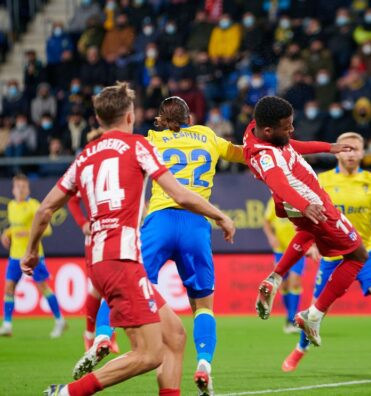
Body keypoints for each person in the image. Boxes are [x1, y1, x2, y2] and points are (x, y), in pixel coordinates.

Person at [21, 82, 235, 396]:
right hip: (124, 261)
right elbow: (178, 193)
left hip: (98, 261)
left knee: (174, 337)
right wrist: (219, 215)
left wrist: (31, 252)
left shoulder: (84, 157)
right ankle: (67, 393)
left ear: (97, 118)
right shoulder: (138, 146)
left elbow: (44, 210)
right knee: (150, 354)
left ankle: (101, 336)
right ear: (130, 115)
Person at [281, 132, 371, 373]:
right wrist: (312, 244)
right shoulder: (322, 180)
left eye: (356, 149)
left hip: (365, 253)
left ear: (363, 153)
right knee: (316, 310)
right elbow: (306, 213)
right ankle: (300, 349)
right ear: (338, 151)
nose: (351, 153)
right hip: (333, 255)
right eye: (346, 149)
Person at [141, 96, 244, 396]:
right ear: (190, 117)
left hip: (159, 220)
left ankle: (102, 336)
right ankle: (204, 364)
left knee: (133, 283)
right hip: (196, 224)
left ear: (160, 118)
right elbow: (240, 154)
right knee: (203, 306)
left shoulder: (150, 141)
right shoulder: (208, 136)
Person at [244, 96, 366, 348]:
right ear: (268, 130)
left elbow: (291, 145)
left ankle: (275, 278)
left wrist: (325, 147)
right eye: (287, 126)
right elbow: (278, 181)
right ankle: (314, 315)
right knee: (357, 255)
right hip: (313, 204)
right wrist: (306, 205)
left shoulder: (256, 131)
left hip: (298, 206)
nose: (291, 130)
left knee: (308, 233)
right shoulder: (266, 155)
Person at [0, 174, 66, 338]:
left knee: (42, 287)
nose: (21, 190)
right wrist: (6, 233)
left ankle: (60, 320)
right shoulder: (12, 206)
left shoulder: (34, 205)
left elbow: (48, 229)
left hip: (33, 255)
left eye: (23, 187)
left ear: (28, 188)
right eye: (18, 187)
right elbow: (15, 228)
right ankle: (7, 325)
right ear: (13, 189)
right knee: (9, 288)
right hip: (15, 255)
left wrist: (28, 232)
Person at [67, 192, 118, 353]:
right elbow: (73, 200)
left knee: (114, 285)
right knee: (99, 286)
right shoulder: (92, 170)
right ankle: (91, 334)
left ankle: (107, 334)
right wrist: (82, 223)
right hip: (96, 236)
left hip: (116, 233)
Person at [263, 198, 319, 334]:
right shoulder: (274, 201)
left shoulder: (300, 200)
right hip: (280, 250)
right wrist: (271, 237)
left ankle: (291, 318)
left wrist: (312, 243)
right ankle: (289, 318)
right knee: (283, 284)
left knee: (295, 281)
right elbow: (266, 221)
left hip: (298, 248)